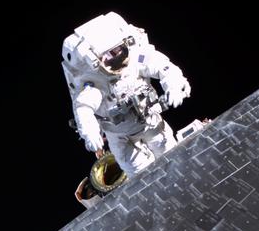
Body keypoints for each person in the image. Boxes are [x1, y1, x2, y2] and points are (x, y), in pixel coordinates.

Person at [61, 12, 192, 176]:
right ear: (95, 59)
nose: (115, 57)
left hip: (150, 122)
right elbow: (83, 107)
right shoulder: (94, 82)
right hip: (120, 136)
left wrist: (174, 85)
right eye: (108, 55)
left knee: (171, 156)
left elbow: (163, 67)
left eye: (118, 50)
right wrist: (90, 133)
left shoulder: (138, 58)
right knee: (140, 173)